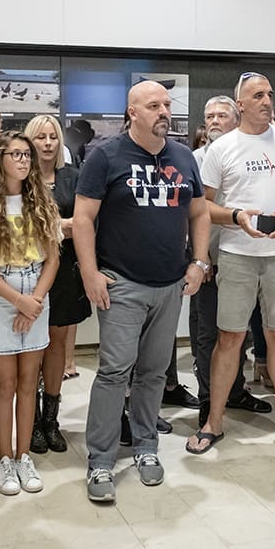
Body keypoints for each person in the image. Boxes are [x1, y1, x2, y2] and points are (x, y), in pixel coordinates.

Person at [76, 80, 209, 503]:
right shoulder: (105, 156)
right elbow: (83, 219)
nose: (164, 112)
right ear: (132, 112)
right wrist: (90, 273)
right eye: (154, 105)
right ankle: (101, 459)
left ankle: (146, 445)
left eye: (166, 105)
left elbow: (200, 212)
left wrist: (199, 262)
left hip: (169, 285)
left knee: (153, 373)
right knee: (115, 372)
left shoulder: (184, 157)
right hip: (122, 283)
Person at [187, 71, 275, 458]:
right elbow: (202, 205)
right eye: (258, 95)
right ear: (241, 104)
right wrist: (236, 217)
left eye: (270, 94)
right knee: (229, 338)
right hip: (237, 255)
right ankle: (213, 423)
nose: (266, 100)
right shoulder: (222, 147)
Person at [0, 131, 62, 495]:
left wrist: (33, 301)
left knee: (29, 381)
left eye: (26, 155)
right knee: (4, 383)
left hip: (35, 293)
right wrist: (18, 301)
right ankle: (5, 457)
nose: (23, 161)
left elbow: (53, 258)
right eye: (15, 154)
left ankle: (23, 455)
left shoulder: (42, 201)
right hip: (2, 295)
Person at [188, 96, 269, 427]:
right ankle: (209, 400)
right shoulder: (194, 160)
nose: (214, 121)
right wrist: (200, 256)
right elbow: (191, 213)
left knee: (239, 333)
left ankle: (235, 391)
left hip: (243, 256)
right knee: (209, 334)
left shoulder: (249, 154)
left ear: (237, 119)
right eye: (209, 116)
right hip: (209, 259)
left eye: (222, 115)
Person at [24, 115, 91, 453]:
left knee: (57, 344)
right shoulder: (19, 178)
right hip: (26, 270)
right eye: (41, 137)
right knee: (31, 349)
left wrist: (56, 227)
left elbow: (83, 224)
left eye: (53, 136)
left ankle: (51, 420)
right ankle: (32, 420)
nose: (48, 143)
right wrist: (60, 226)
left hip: (65, 271)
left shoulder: (74, 178)